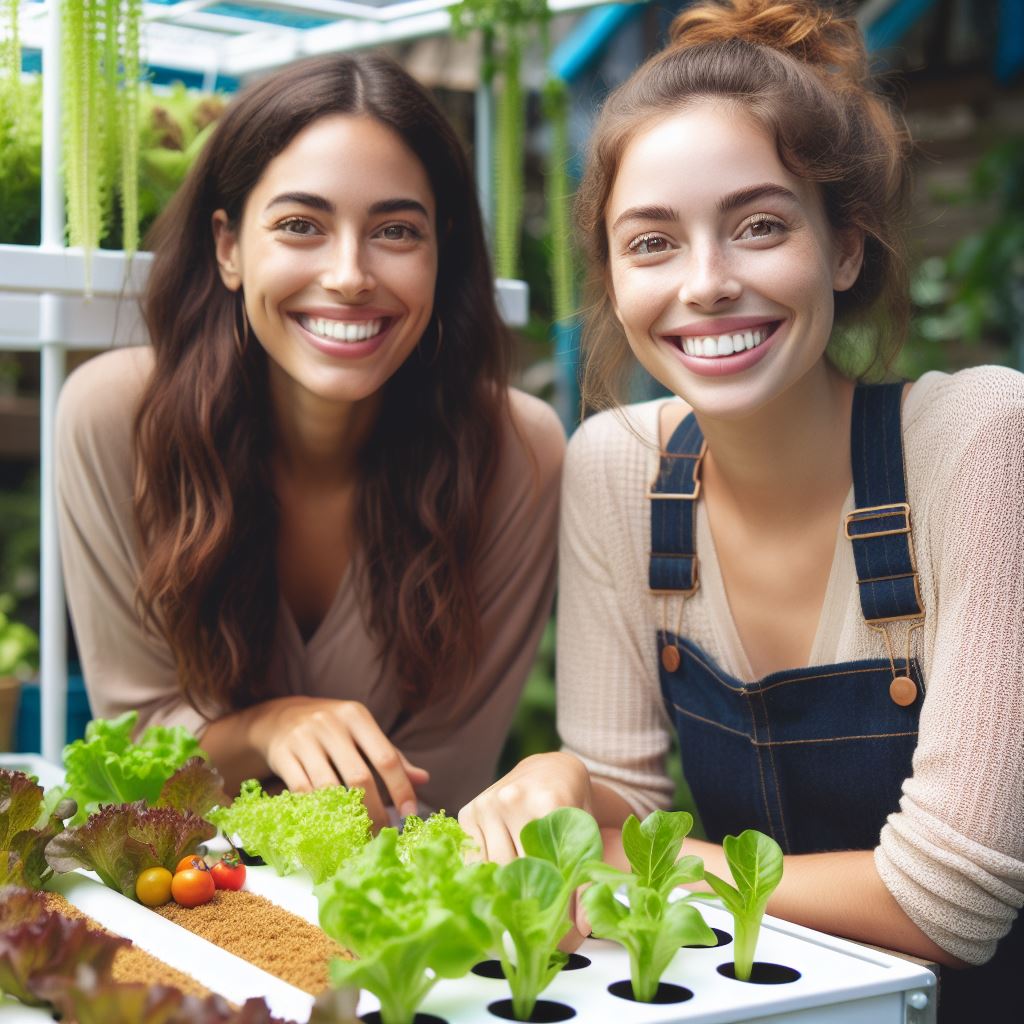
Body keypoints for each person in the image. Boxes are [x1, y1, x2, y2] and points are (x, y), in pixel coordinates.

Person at [458, 1, 1023, 1015]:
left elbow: (949, 901)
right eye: (652, 243)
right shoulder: (618, 466)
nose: (708, 283)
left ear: (843, 250)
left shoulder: (979, 440)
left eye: (759, 226)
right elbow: (621, 806)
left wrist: (629, 853)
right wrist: (564, 784)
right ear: (616, 280)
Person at [56, 53, 564, 830]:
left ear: (442, 252)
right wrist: (271, 724)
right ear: (228, 247)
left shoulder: (515, 455)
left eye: (395, 230)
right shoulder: (116, 418)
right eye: (301, 225)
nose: (350, 274)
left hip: (391, 915)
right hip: (180, 893)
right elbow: (133, 756)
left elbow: (437, 787)